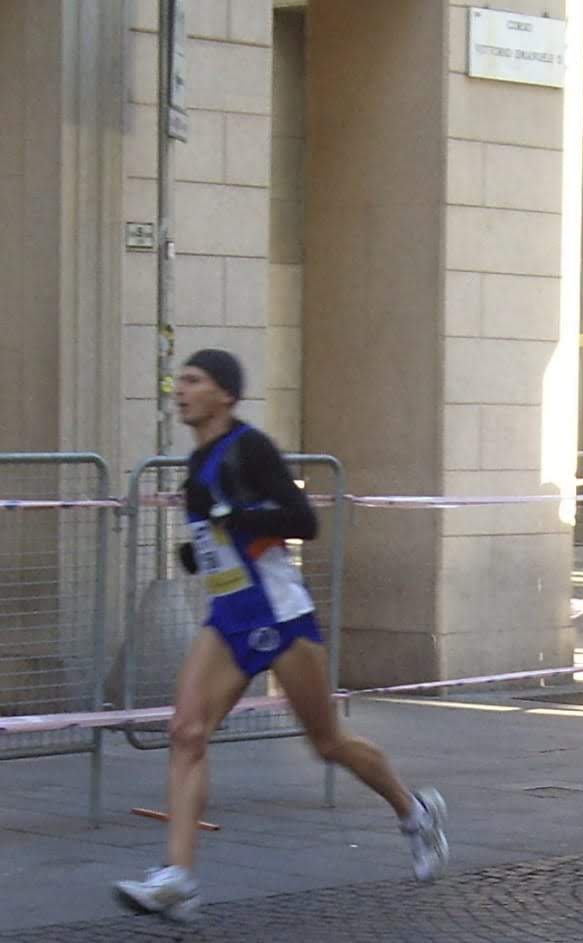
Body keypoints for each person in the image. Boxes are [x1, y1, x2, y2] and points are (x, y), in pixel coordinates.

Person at [113, 350, 448, 923]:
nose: (181, 391)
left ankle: (414, 809)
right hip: (228, 617)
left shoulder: (250, 448)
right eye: (181, 382)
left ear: (225, 395)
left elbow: (302, 520)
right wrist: (199, 552)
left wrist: (232, 516)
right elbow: (224, 536)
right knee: (185, 731)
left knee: (328, 743)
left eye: (193, 382)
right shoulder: (197, 462)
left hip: (280, 617)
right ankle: (179, 878)